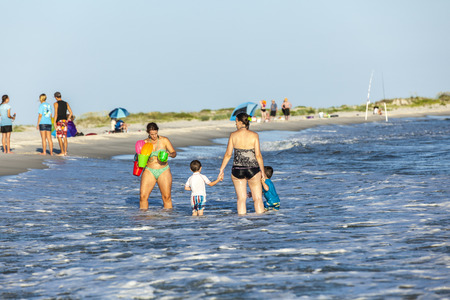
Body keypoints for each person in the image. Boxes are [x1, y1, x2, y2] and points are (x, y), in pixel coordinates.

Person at [218, 112, 265, 215]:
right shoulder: (254, 135)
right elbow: (258, 155)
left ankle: (242, 224)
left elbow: (228, 154)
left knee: (241, 199)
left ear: (240, 122)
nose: (236, 124)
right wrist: (263, 172)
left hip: (237, 170)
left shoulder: (233, 135)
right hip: (252, 169)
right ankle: (262, 224)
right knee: (257, 198)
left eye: (236, 122)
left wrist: (221, 170)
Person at [140, 122, 177, 210]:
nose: (154, 136)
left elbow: (174, 153)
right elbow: (140, 158)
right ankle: (143, 219)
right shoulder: (144, 142)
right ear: (148, 133)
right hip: (149, 170)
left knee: (166, 197)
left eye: (156, 133)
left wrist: (170, 154)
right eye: (152, 134)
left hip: (163, 170)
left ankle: (167, 219)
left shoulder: (164, 140)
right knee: (143, 196)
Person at [53, 92, 73, 156]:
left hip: (59, 121)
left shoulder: (55, 104)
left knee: (59, 136)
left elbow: (56, 114)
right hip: (64, 121)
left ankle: (62, 152)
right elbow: (71, 113)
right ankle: (65, 152)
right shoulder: (66, 103)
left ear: (55, 97)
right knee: (64, 137)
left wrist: (54, 122)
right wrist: (68, 119)